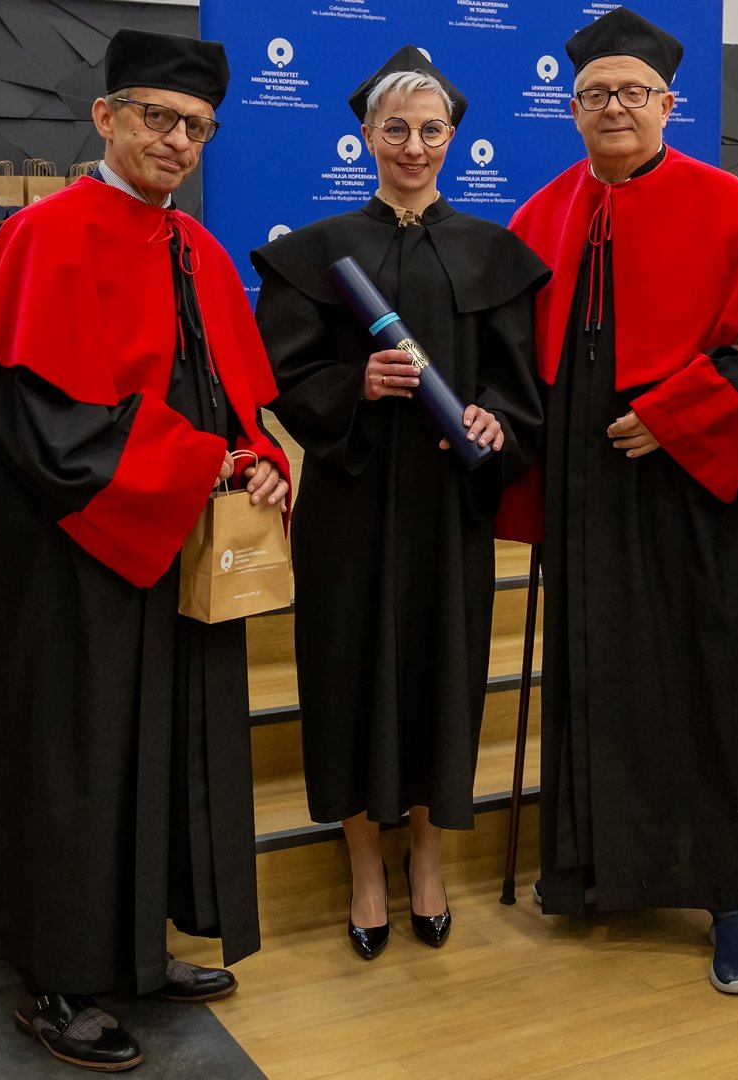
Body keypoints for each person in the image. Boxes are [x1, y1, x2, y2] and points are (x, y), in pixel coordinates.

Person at [0, 29, 289, 1072]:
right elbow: (37, 426)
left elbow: (231, 398)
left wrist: (261, 461)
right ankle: (54, 975)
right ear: (105, 117)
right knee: (76, 758)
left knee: (163, 750)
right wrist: (196, 464)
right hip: (72, 558)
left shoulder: (198, 250)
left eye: (197, 127)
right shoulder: (41, 238)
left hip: (175, 543)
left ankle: (134, 946)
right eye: (157, 117)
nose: (176, 140)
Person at [501, 6, 738, 995]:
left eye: (633, 93)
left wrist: (678, 416)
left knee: (705, 668)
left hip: (686, 484)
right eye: (595, 95)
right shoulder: (543, 212)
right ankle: (595, 869)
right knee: (591, 666)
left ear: (670, 104)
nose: (614, 108)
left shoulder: (725, 203)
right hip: (584, 483)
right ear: (571, 109)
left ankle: (729, 896)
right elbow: (510, 353)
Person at [250, 47, 547, 961]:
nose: (413, 146)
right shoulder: (318, 253)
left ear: (452, 139)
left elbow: (518, 387)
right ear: (366, 137)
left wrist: (496, 420)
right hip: (350, 500)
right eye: (396, 130)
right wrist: (357, 383)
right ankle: (363, 865)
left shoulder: (493, 254)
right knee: (344, 672)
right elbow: (282, 377)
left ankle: (426, 855)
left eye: (430, 130)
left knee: (441, 674)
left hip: (448, 507)